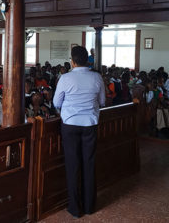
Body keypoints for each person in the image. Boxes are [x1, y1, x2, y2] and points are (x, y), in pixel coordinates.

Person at [53, 46, 105, 218]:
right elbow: (102, 101)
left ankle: (75, 208)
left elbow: (56, 102)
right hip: (90, 124)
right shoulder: (97, 77)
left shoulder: (65, 78)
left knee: (72, 165)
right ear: (87, 60)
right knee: (89, 164)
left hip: (70, 125)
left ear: (72, 61)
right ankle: (90, 206)